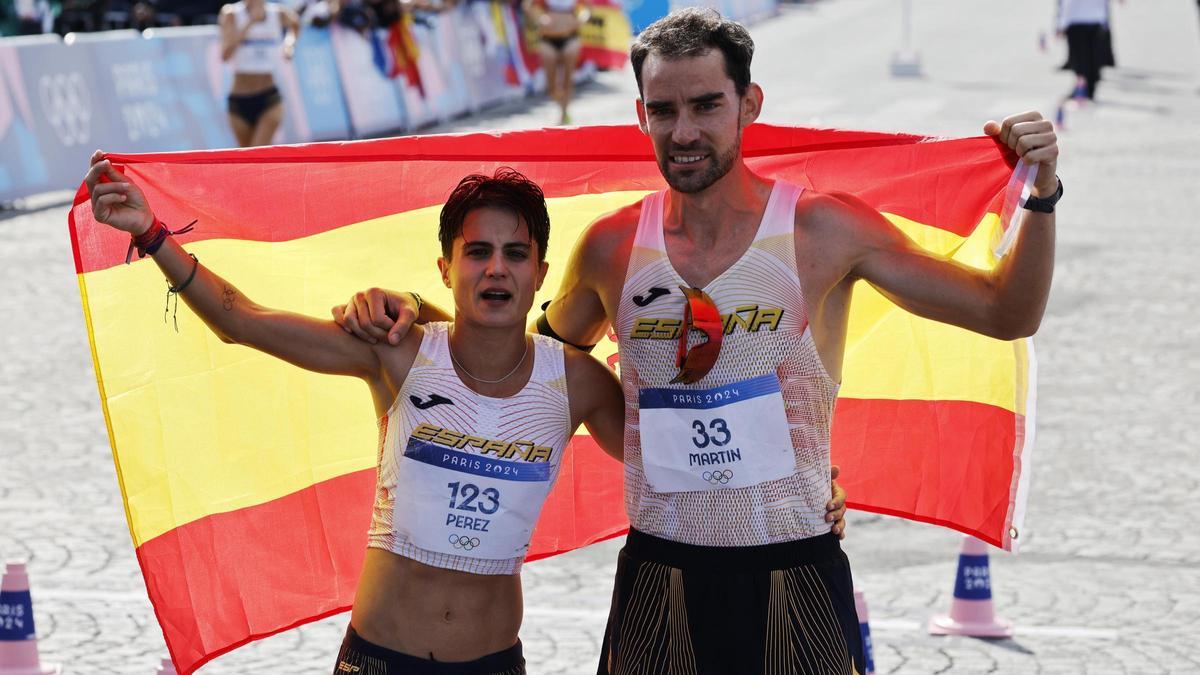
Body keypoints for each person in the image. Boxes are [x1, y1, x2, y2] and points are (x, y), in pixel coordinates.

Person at [335, 9, 1055, 672]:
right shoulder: (615, 248)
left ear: (749, 104)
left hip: (793, 572)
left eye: (706, 105)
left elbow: (1004, 312)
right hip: (660, 578)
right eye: (665, 111)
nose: (684, 132)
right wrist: (421, 310)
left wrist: (1041, 194)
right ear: (641, 116)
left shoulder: (822, 232)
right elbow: (525, 358)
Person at [84, 155, 638, 674]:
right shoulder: (397, 353)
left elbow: (658, 457)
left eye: (515, 254)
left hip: (493, 662)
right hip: (378, 658)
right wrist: (152, 235)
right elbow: (243, 322)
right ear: (445, 268)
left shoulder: (576, 381)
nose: (496, 269)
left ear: (540, 273)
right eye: (477, 252)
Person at [219, 0, 299, 147]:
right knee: (246, 155)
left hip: (268, 97)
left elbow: (295, 24)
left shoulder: (278, 13)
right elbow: (225, 54)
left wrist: (289, 43)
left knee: (259, 150)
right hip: (239, 99)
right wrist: (250, 22)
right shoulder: (231, 13)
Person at [526, 0, 589, 125]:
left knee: (568, 79)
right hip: (548, 39)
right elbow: (528, 7)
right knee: (551, 87)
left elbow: (588, 9)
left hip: (570, 37)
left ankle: (564, 112)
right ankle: (560, 101)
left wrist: (580, 20)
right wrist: (540, 19)